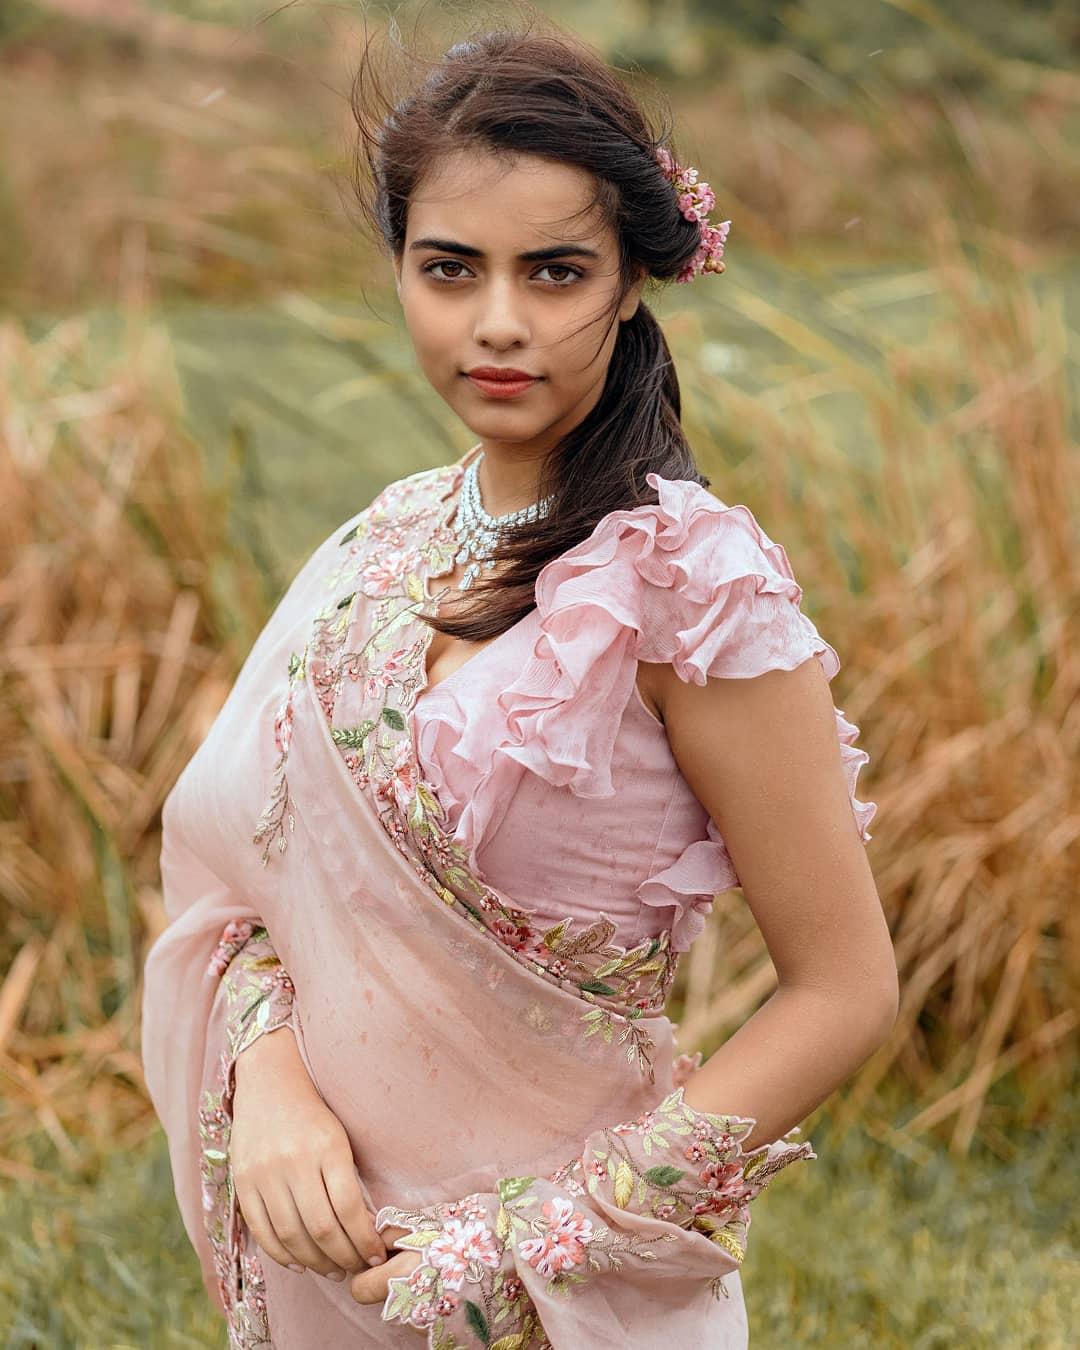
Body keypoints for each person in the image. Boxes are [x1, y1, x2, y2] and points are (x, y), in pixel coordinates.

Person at [140, 17, 899, 1349]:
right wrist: (268, 1080)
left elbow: (843, 986)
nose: (499, 322)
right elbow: (243, 880)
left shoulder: (691, 585)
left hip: (564, 1292)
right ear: (399, 272)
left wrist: (530, 1247)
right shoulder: (377, 546)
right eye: (450, 269)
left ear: (632, 282)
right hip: (332, 1253)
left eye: (555, 272)